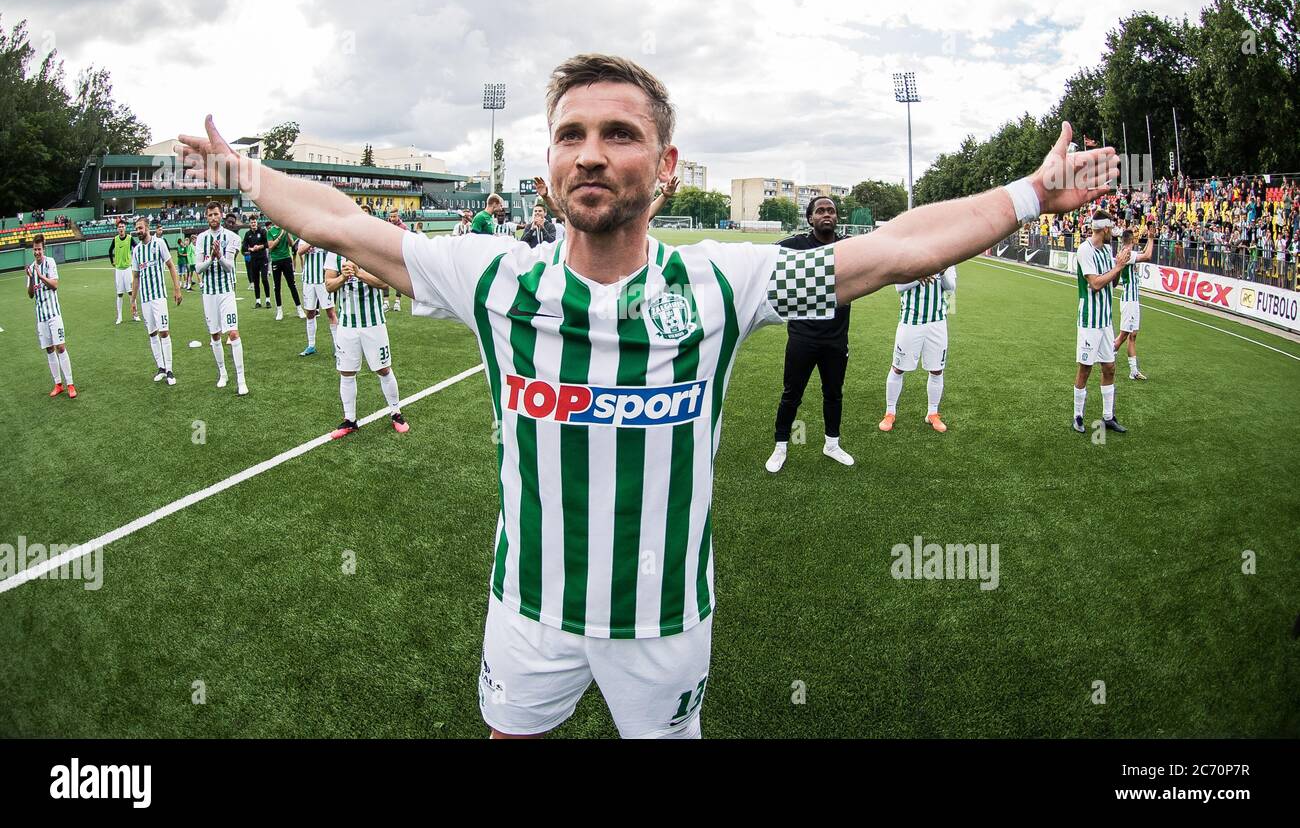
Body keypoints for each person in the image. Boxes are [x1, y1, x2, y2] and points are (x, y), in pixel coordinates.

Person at [178, 52, 1116, 740]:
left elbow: (892, 250)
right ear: (548, 166)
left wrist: (1031, 193)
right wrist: (246, 173)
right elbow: (345, 224)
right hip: (527, 607)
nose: (591, 154)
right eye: (571, 136)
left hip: (666, 620)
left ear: (666, 165)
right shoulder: (493, 278)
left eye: (620, 134)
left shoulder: (720, 286)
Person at [766, 196, 854, 471]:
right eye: (820, 211)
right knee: (792, 393)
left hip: (836, 339)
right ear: (810, 218)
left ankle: (832, 444)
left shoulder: (848, 246)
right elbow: (764, 259)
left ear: (837, 217)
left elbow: (883, 259)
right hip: (802, 337)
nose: (826, 214)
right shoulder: (797, 244)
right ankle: (781, 446)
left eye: (831, 211)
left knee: (833, 393)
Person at [323, 252, 408, 438]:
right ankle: (350, 420)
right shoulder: (333, 253)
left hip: (374, 323)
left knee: (384, 369)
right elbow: (329, 286)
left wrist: (358, 273)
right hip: (346, 325)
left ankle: (396, 413)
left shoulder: (369, 248)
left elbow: (384, 282)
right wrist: (343, 277)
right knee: (346, 373)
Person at [1073, 209, 1131, 433]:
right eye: (1111, 231)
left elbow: (1112, 283)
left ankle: (1108, 417)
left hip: (1105, 320)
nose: (1113, 236)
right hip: (1089, 319)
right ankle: (1077, 415)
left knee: (1109, 367)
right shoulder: (1084, 250)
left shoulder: (1107, 249)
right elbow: (1095, 284)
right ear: (1105, 229)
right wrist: (1116, 267)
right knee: (1085, 368)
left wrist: (1119, 266)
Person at [879, 266, 956, 433]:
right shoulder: (911, 256)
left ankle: (932, 413)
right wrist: (919, 276)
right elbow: (898, 286)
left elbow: (951, 288)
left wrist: (942, 273)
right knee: (898, 368)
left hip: (937, 322)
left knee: (937, 370)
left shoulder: (948, 257)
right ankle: (890, 412)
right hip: (910, 321)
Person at [194, 201, 249, 395]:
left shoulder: (232, 237)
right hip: (209, 293)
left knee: (233, 333)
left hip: (226, 292)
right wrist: (210, 258)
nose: (213, 218)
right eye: (209, 215)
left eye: (216, 214)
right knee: (215, 335)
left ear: (221, 215)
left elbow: (229, 267)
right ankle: (223, 373)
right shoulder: (201, 239)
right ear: (206, 217)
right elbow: (197, 268)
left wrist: (219, 256)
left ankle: (241, 379)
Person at [130, 215, 184, 385]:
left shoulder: (159, 243)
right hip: (145, 299)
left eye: (141, 228)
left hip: (159, 297)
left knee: (164, 332)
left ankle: (169, 370)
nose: (138, 231)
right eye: (137, 228)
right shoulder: (137, 250)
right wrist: (133, 301)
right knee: (152, 333)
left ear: (147, 227)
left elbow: (171, 266)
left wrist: (177, 289)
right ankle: (160, 367)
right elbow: (136, 277)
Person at [27, 234, 76, 398]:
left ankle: (70, 384)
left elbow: (55, 285)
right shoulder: (31, 268)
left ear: (43, 249)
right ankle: (58, 384)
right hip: (41, 316)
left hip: (54, 314)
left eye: (39, 249)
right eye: (34, 250)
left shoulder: (50, 263)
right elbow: (30, 295)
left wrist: (41, 277)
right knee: (49, 350)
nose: (37, 252)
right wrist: (31, 278)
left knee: (60, 347)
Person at [1112, 225, 1154, 380]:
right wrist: (1150, 237)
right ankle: (1108, 358)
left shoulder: (1128, 252)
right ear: (1132, 240)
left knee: (1133, 335)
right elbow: (1148, 256)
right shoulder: (1126, 253)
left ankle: (1133, 371)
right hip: (1129, 299)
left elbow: (1144, 254)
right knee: (1124, 335)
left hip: (1133, 299)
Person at [296, 238, 339, 357]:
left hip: (324, 281)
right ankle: (311, 345)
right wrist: (312, 242)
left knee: (331, 313)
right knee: (310, 312)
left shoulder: (324, 236)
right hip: (309, 280)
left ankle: (337, 346)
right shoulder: (305, 237)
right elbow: (299, 251)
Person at [265, 218, 305, 320]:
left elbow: (291, 244)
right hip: (276, 260)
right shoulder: (270, 231)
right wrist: (281, 235)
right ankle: (279, 310)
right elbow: (271, 246)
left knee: (292, 284)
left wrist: (287, 234)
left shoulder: (285, 229)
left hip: (286, 259)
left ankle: (299, 308)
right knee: (277, 286)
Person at [107, 219, 138, 324]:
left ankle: (135, 314)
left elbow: (137, 248)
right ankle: (119, 317)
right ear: (117, 229)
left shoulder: (130, 238)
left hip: (128, 269)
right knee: (119, 294)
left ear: (125, 228)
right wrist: (112, 261)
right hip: (118, 270)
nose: (121, 228)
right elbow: (109, 251)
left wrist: (135, 260)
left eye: (122, 227)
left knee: (131, 292)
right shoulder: (115, 239)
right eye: (119, 227)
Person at [241, 217, 271, 307]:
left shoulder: (262, 232)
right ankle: (258, 301)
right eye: (251, 222)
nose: (253, 224)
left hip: (263, 258)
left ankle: (268, 300)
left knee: (264, 279)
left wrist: (259, 247)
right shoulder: (248, 234)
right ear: (249, 224)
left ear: (257, 223)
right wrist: (250, 248)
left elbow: (267, 244)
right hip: (253, 259)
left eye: (254, 222)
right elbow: (244, 247)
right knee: (256, 281)